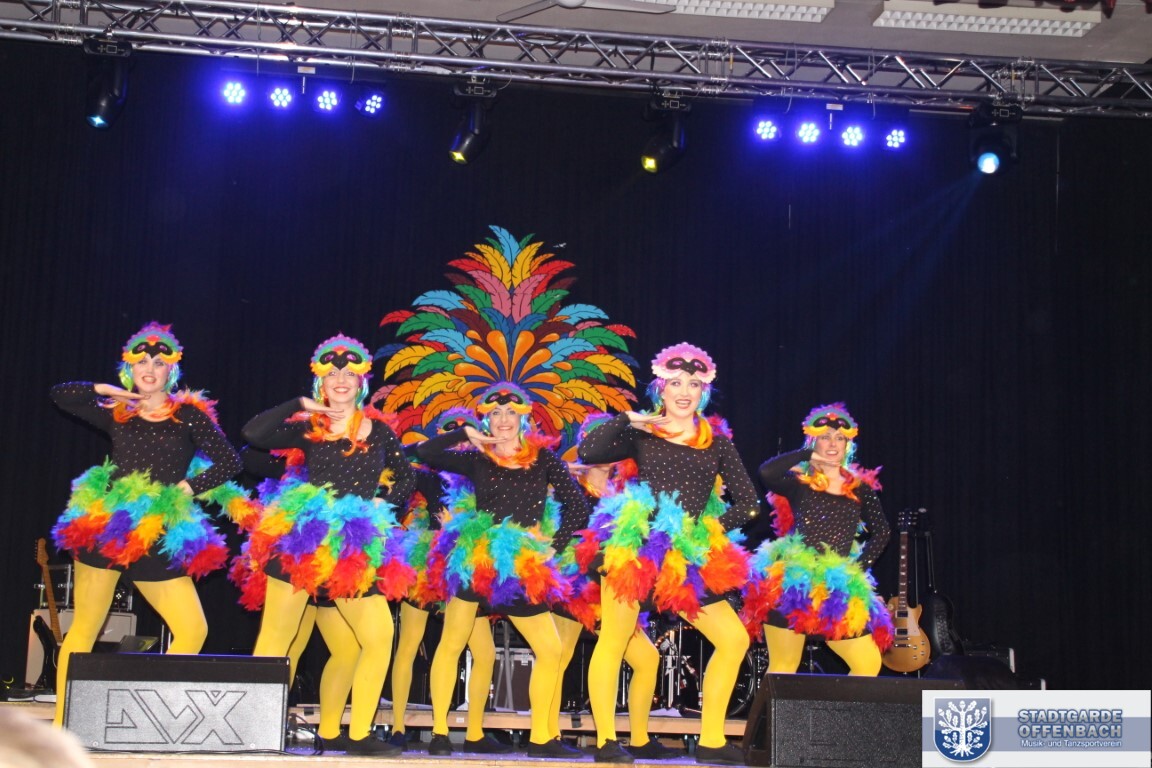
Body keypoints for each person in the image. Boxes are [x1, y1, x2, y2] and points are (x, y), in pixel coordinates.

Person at [49, 322, 242, 727]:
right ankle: (64, 721)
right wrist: (106, 390)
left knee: (192, 629)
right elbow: (60, 395)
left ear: (171, 370)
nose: (149, 369)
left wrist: (188, 487)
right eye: (141, 363)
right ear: (130, 369)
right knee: (84, 626)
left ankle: (150, 713)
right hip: (108, 526)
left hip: (158, 531)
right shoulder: (118, 412)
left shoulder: (188, 415)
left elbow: (230, 461)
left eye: (158, 362)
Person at [577, 343, 759, 765]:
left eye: (693, 384)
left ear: (703, 392)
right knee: (615, 639)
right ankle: (606, 742)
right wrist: (628, 418)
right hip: (636, 548)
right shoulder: (643, 433)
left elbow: (750, 504)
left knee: (733, 639)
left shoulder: (717, 443)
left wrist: (707, 529)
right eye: (675, 383)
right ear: (660, 389)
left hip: (687, 558)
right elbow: (588, 453)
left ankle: (711, 740)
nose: (684, 392)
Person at [241, 334, 416, 755]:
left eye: (349, 373)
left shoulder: (380, 431)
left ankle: (358, 734)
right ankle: (254, 729)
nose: (341, 379)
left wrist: (386, 500)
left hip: (353, 546)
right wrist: (301, 404)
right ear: (321, 381)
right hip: (305, 539)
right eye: (332, 372)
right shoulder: (309, 427)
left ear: (361, 383)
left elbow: (407, 476)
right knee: (277, 635)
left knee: (379, 636)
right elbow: (253, 434)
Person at [416, 381, 590, 757]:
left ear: (524, 417)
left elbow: (577, 506)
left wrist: (552, 547)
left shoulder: (543, 459)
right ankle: (441, 733)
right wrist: (466, 434)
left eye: (511, 412)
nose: (504, 419)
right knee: (452, 643)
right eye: (495, 413)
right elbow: (425, 452)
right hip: (478, 561)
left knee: (550, 649)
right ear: (486, 420)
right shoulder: (477, 458)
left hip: (520, 567)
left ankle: (541, 739)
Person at [556, 417, 679, 760]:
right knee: (558, 655)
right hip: (576, 587)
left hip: (613, 586)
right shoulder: (570, 485)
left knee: (647, 659)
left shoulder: (625, 490)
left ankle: (639, 739)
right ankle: (549, 734)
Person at [387, 407, 509, 753]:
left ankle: (474, 733)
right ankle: (398, 726)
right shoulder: (426, 475)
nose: (460, 435)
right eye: (452, 430)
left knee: (484, 652)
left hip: (467, 570)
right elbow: (399, 456)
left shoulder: (486, 470)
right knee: (409, 644)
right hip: (428, 568)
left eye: (466, 428)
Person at [741, 403, 893, 677]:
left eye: (840, 438)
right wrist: (807, 454)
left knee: (867, 663)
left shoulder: (860, 489)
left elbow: (882, 531)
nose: (832, 444)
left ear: (848, 444)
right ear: (814, 442)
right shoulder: (799, 483)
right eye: (824, 437)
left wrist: (857, 568)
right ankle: (770, 711)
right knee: (784, 667)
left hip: (837, 586)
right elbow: (767, 473)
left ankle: (841, 708)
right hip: (794, 583)